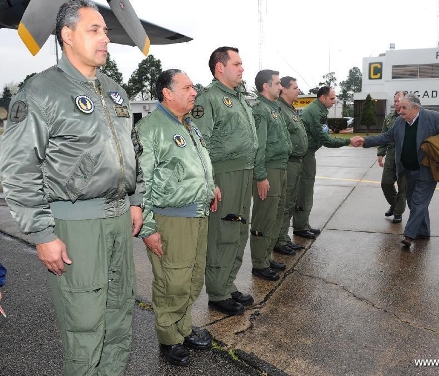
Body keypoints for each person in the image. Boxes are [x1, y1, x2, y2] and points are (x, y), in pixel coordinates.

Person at [0, 1, 144, 374]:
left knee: (118, 318)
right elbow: (18, 169)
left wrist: (136, 199)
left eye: (106, 31)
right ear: (67, 36)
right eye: (94, 30)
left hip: (117, 219)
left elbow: (132, 150)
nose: (105, 39)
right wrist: (43, 233)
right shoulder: (41, 90)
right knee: (85, 325)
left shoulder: (114, 90)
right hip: (76, 225)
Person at [135, 69, 219, 366]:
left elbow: (194, 164)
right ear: (167, 93)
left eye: (193, 86)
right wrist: (147, 228)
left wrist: (211, 186)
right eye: (187, 87)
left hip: (198, 214)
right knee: (172, 281)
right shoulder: (150, 128)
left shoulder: (188, 125)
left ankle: (183, 328)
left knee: (192, 278)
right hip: (171, 218)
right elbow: (140, 180)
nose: (194, 91)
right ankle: (169, 338)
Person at [192, 47, 258, 316]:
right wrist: (210, 181)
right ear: (220, 67)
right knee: (223, 232)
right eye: (237, 63)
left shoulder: (238, 97)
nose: (242, 68)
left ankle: (228, 285)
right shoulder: (209, 99)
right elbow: (200, 142)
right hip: (224, 174)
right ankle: (218, 292)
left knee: (239, 230)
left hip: (244, 171)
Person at [359, 93, 439, 247]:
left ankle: (409, 235)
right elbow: (385, 137)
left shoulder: (432, 117)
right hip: (408, 170)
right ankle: (423, 231)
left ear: (415, 108)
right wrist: (365, 141)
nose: (400, 110)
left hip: (427, 170)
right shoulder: (399, 122)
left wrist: (432, 144)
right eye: (400, 107)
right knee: (412, 201)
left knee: (418, 202)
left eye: (404, 107)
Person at [293, 86, 359, 239]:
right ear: (322, 98)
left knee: (306, 190)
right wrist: (349, 141)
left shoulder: (318, 110)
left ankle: (303, 224)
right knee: (305, 190)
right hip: (305, 154)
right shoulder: (315, 112)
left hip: (307, 153)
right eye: (332, 98)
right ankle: (300, 227)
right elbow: (326, 140)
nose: (334, 101)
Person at [250, 70, 292, 281]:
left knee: (275, 216)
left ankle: (266, 257)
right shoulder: (260, 110)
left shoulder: (273, 108)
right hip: (269, 169)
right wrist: (260, 176)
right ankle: (259, 263)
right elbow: (259, 146)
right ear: (266, 86)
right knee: (264, 217)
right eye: (277, 83)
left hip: (281, 167)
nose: (281, 87)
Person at [274, 76, 308, 255]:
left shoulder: (290, 109)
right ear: (284, 90)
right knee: (285, 203)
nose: (298, 90)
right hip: (288, 162)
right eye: (295, 87)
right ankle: (279, 240)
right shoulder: (280, 109)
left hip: (297, 161)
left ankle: (284, 238)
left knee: (290, 202)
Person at [377, 91, 407, 224]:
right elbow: (384, 136)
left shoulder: (409, 117)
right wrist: (380, 153)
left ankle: (398, 213)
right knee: (386, 183)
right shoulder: (389, 118)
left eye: (398, 101)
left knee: (403, 187)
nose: (396, 103)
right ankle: (395, 205)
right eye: (394, 101)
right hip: (391, 154)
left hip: (405, 156)